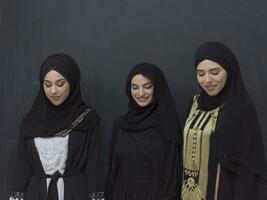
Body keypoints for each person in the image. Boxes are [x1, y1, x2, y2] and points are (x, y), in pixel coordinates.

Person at [9, 53, 105, 200]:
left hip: (75, 193)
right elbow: (22, 168)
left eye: (60, 84)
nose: (53, 91)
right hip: (37, 194)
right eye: (47, 85)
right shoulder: (31, 121)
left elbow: (94, 168)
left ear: (72, 83)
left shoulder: (86, 119)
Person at [181, 41, 267, 200]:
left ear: (229, 71)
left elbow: (246, 171)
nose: (207, 80)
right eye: (200, 73)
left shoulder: (240, 109)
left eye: (215, 72)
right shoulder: (194, 104)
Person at [105, 63, 183, 200]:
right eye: (135, 87)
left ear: (157, 88)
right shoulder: (120, 125)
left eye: (147, 87)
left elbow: (172, 177)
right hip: (121, 194)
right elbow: (113, 170)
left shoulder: (167, 125)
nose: (140, 93)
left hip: (154, 195)